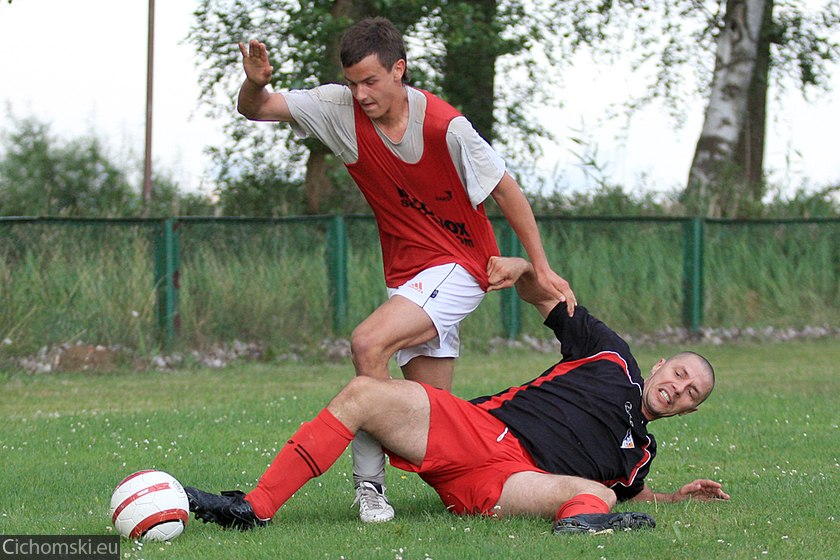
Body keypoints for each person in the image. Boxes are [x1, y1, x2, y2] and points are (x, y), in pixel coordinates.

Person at [236, 16, 576, 522]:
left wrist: (542, 269)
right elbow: (258, 108)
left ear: (400, 70)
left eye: (371, 81)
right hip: (407, 276)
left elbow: (507, 190)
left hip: (463, 266)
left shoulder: (446, 125)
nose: (362, 93)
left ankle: (369, 488)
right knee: (432, 416)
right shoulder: (339, 108)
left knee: (368, 344)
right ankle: (492, 486)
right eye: (353, 82)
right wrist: (255, 83)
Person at [185, 256, 729, 535]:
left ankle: (583, 526)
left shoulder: (641, 455)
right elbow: (550, 299)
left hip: (513, 483)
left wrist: (675, 499)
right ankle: (254, 508)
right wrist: (522, 269)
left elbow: (636, 494)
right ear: (662, 364)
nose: (678, 387)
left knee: (602, 496)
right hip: (476, 429)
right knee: (362, 393)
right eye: (679, 373)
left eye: (690, 392)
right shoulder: (611, 359)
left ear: (690, 409)